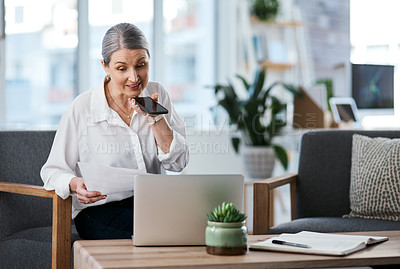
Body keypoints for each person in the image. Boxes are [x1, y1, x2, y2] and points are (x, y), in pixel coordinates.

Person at [41, 23, 189, 240]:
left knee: (200, 225)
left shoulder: (157, 95)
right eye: (122, 68)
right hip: (99, 211)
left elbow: (179, 163)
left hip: (151, 203)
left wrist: (156, 117)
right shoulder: (82, 108)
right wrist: (74, 184)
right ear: (105, 67)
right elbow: (52, 171)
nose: (134, 77)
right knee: (157, 231)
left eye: (141, 65)